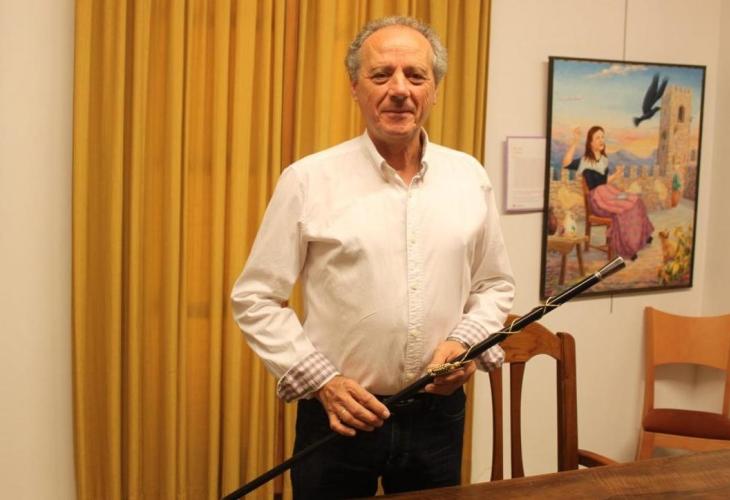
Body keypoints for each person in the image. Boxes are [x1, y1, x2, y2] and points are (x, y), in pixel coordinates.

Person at [231, 16, 514, 498]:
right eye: (381, 75)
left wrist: (466, 342)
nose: (399, 90)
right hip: (339, 415)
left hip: (437, 417)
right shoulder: (309, 180)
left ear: (434, 89)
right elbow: (255, 298)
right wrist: (323, 381)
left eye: (415, 75)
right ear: (355, 87)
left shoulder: (469, 176)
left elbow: (494, 285)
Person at [562, 125, 654, 260]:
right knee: (621, 209)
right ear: (590, 143)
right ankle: (628, 246)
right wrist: (575, 141)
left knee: (635, 200)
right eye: (597, 138)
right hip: (598, 200)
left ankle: (643, 236)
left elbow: (604, 181)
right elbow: (566, 163)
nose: (601, 140)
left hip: (610, 194)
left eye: (602, 137)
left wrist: (616, 174)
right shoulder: (585, 160)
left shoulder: (604, 160)